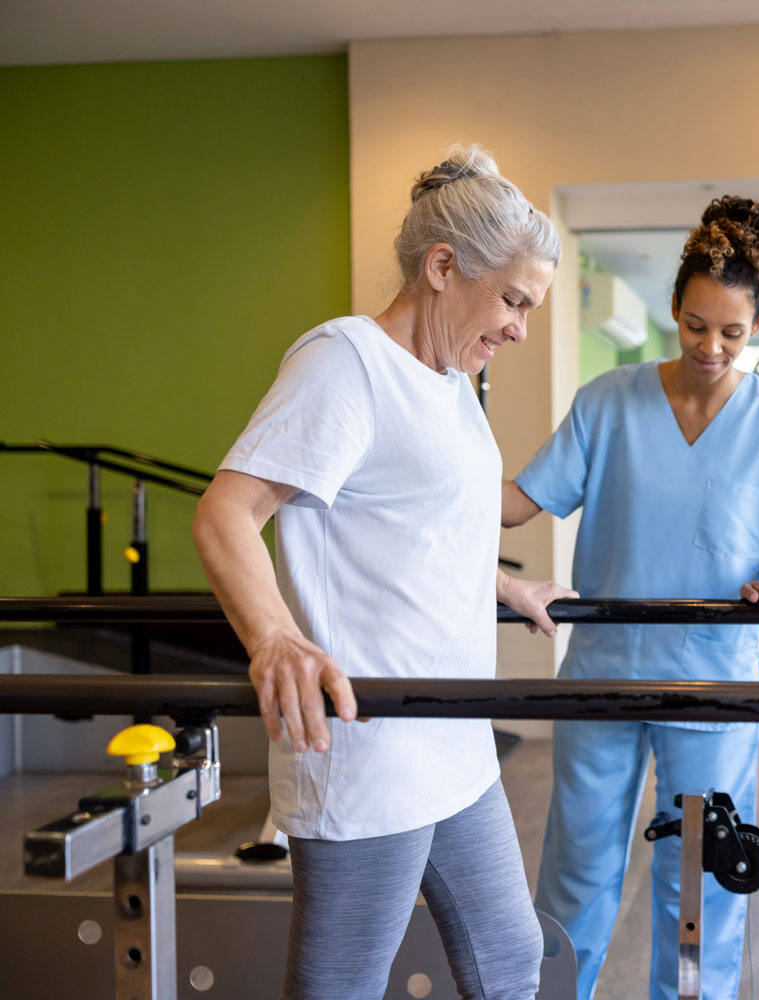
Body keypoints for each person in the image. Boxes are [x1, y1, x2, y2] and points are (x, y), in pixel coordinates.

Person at [192, 145, 577, 1000]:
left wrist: (503, 588)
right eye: (513, 299)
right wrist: (277, 640)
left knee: (512, 958)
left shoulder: (447, 383)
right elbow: (225, 513)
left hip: (451, 739)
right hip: (369, 750)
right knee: (341, 990)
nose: (519, 326)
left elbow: (419, 531)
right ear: (444, 266)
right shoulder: (345, 363)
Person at [501, 196, 759, 1000]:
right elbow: (519, 499)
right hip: (602, 675)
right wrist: (425, 477)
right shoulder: (607, 401)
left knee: (699, 883)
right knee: (577, 871)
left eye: (731, 330)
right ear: (675, 311)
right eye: (695, 325)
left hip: (714, 679)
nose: (710, 347)